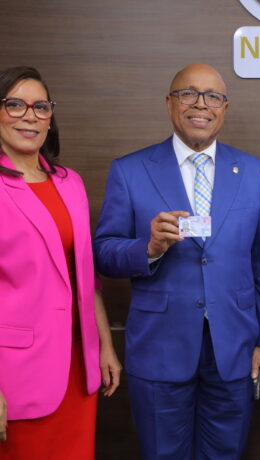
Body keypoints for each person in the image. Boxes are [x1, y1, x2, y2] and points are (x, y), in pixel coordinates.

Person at [93, 63, 260, 460]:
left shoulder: (253, 172)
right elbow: (104, 253)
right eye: (188, 94)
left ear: (224, 107)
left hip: (235, 347)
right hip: (159, 346)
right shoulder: (130, 170)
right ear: (169, 103)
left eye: (213, 97)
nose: (201, 105)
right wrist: (148, 248)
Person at [0, 66, 121, 459]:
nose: (30, 116)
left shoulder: (70, 182)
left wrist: (104, 345)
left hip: (78, 366)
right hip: (15, 372)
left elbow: (86, 276)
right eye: (15, 104)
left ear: (51, 118)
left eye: (40, 107)